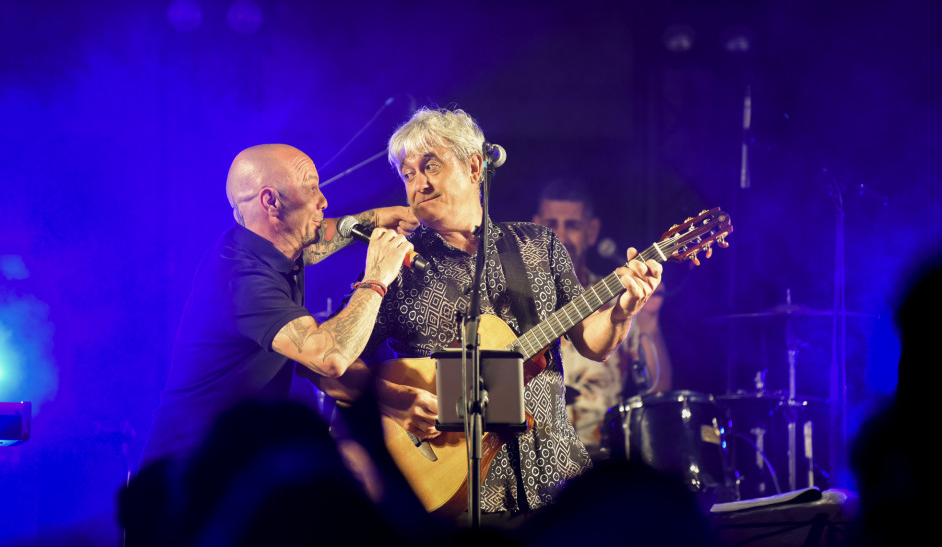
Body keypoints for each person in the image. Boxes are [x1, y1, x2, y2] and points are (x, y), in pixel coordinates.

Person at [315, 108, 662, 523]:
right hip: (457, 491)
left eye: (431, 167)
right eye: (408, 174)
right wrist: (399, 398)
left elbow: (592, 342)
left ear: (475, 165)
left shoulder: (538, 244)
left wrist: (622, 312)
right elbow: (325, 365)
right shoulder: (394, 264)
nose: (418, 184)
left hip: (555, 479)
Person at [140, 143, 418, 467]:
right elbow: (330, 357)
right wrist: (377, 276)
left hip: (234, 464)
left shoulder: (277, 244)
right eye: (311, 188)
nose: (323, 201)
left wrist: (382, 217)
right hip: (187, 478)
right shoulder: (241, 278)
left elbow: (322, 239)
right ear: (271, 201)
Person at [533, 178, 672, 459]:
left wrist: (650, 323)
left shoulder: (619, 298)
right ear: (536, 228)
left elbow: (658, 389)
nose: (560, 237)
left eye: (571, 226)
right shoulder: (515, 297)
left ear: (592, 231)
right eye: (551, 225)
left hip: (603, 461)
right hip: (534, 460)